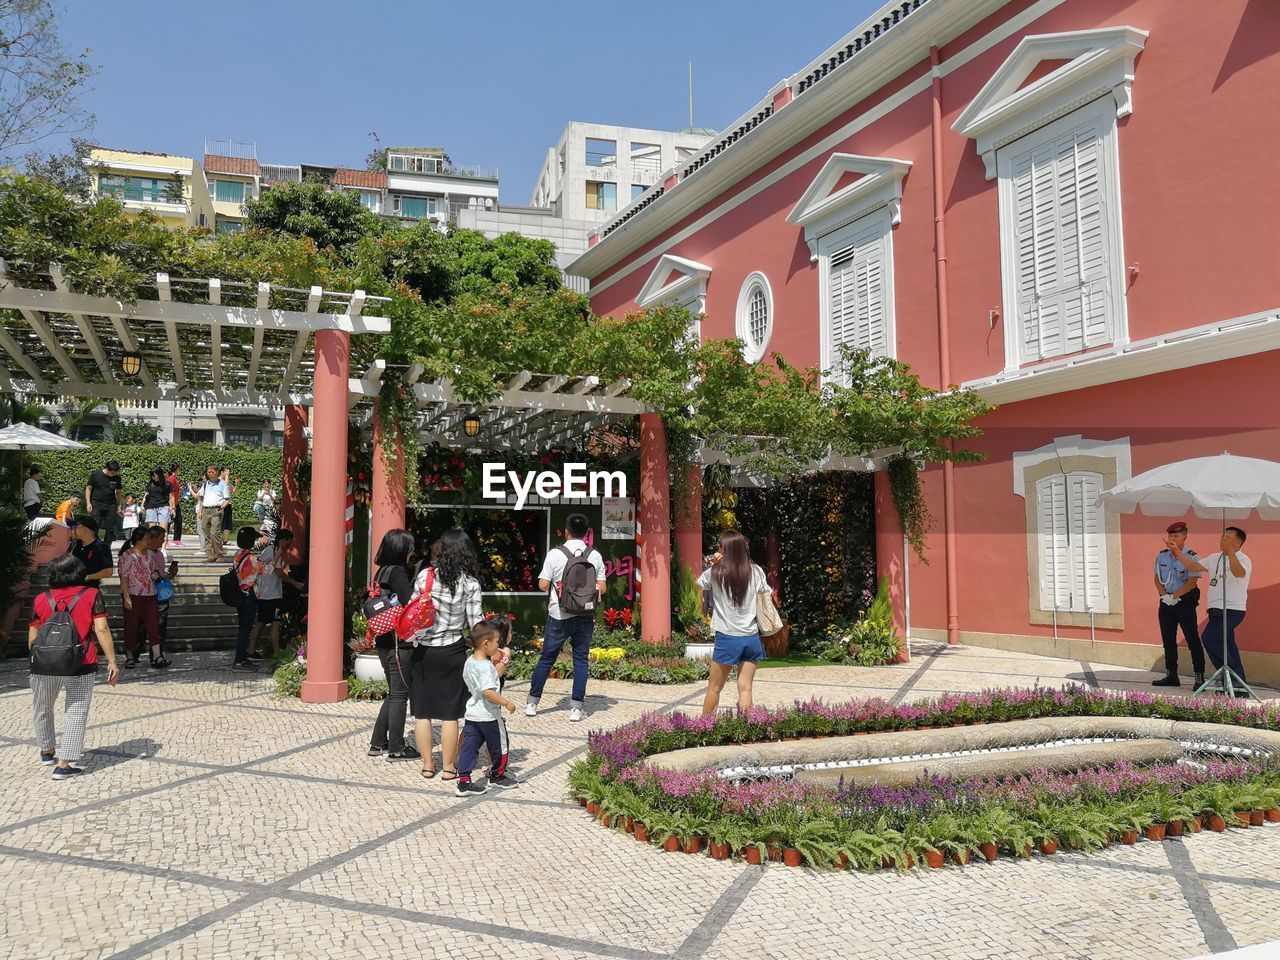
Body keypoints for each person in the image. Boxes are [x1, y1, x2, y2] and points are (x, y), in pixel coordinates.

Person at [28, 553, 119, 779]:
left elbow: (32, 636)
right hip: (81, 661)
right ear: (78, 572)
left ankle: (47, 751)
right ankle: (64, 764)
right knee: (76, 711)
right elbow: (101, 629)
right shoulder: (91, 594)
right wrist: (112, 661)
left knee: (42, 707)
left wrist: (39, 657)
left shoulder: (41, 598)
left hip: (44, 663)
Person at [411, 529, 483, 781]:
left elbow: (412, 613)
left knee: (422, 711)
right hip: (453, 651)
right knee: (450, 713)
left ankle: (428, 766)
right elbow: (476, 626)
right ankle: (450, 768)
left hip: (423, 651)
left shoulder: (424, 577)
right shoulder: (470, 583)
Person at [526, 513, 605, 723]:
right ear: (586, 533)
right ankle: (576, 709)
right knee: (580, 660)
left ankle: (532, 703)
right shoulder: (594, 555)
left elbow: (543, 585)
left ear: (567, 531)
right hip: (585, 615)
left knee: (546, 658)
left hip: (559, 614)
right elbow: (602, 587)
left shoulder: (555, 554)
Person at [696, 530, 769, 716]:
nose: (717, 548)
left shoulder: (715, 572)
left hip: (728, 636)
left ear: (725, 549)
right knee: (745, 688)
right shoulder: (756, 571)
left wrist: (712, 563)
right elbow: (765, 593)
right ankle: (745, 728)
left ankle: (704, 726)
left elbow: (698, 586)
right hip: (751, 636)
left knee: (714, 688)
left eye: (720, 545)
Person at [1172, 526, 1253, 686]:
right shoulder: (1214, 557)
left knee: (1210, 637)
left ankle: (1229, 675)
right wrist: (1177, 551)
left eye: (1228, 537)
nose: (1223, 539)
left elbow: (1239, 573)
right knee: (1228, 645)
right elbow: (1192, 567)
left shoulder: (1244, 559)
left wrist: (1230, 553)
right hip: (1215, 609)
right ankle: (1236, 683)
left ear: (1238, 542)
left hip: (1232, 609)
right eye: (1222, 536)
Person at [366, 529, 419, 762]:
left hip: (383, 641)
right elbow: (411, 604)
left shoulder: (381, 572)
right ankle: (396, 748)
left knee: (393, 693)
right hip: (399, 644)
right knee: (399, 695)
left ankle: (378, 742)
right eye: (410, 547)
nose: (412, 551)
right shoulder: (397, 573)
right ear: (401, 549)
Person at [454, 619, 518, 797]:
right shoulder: (485, 667)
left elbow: (492, 678)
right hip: (489, 716)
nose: (498, 646)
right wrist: (505, 702)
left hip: (473, 714)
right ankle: (497, 776)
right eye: (497, 642)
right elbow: (487, 690)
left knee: (469, 747)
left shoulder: (470, 662)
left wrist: (504, 660)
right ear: (486, 644)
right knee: (500, 746)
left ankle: (464, 781)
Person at [1152, 521, 1206, 688]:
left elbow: (1191, 582)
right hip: (1166, 602)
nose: (1172, 538)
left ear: (1185, 536)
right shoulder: (1161, 555)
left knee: (1192, 640)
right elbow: (1157, 579)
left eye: (1176, 535)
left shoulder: (1191, 556)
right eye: (1170, 535)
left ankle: (1199, 676)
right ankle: (1171, 675)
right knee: (1168, 640)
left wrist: (1175, 596)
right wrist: (1165, 596)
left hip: (1185, 602)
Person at [119, 526, 168, 669]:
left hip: (150, 594)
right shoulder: (127, 556)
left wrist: (155, 575)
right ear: (139, 540)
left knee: (153, 626)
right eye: (147, 538)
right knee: (131, 627)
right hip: (134, 595)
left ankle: (157, 656)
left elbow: (152, 570)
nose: (149, 540)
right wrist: (126, 597)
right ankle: (130, 656)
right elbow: (124, 579)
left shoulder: (150, 554)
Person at [250, 528, 302, 659]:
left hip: (263, 593)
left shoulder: (266, 551)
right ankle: (276, 653)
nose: (289, 546)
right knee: (275, 622)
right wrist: (294, 583)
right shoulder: (275, 552)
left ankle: (250, 649)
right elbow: (278, 573)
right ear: (283, 540)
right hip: (273, 594)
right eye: (289, 542)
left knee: (261, 621)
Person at [229, 527, 264, 672]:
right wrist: (278, 554)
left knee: (243, 628)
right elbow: (267, 570)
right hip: (249, 596)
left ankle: (242, 657)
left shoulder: (238, 555)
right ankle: (239, 661)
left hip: (240, 594)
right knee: (245, 629)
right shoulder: (251, 558)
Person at [145, 525, 177, 657]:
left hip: (161, 593)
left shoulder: (158, 553)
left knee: (161, 624)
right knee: (156, 624)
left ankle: (157, 652)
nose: (163, 541)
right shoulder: (145, 554)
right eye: (161, 538)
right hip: (150, 592)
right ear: (152, 538)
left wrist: (169, 574)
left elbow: (160, 572)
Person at [192, 465, 229, 562]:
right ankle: (210, 556)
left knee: (214, 533)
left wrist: (221, 508)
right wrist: (201, 510)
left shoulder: (223, 484)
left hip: (216, 510)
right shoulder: (205, 484)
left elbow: (227, 500)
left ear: (217, 472)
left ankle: (219, 554)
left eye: (212, 471)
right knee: (206, 533)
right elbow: (201, 498)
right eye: (208, 472)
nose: (210, 473)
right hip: (206, 510)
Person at [84, 459, 123, 545]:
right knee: (94, 525)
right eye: (113, 473)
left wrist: (119, 504)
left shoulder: (117, 478)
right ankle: (93, 545)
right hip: (96, 504)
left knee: (110, 528)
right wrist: (88, 503)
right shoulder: (96, 475)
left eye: (116, 472)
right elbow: (88, 488)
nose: (114, 474)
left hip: (111, 505)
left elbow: (118, 492)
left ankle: (106, 548)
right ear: (107, 469)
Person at [69, 515, 113, 585]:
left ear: (86, 528)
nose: (73, 530)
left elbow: (108, 571)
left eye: (75, 527)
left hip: (89, 589)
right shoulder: (76, 545)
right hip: (74, 588)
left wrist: (86, 577)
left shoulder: (101, 546)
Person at [166, 463, 185, 546]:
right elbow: (170, 492)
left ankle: (176, 539)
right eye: (179, 468)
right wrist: (172, 506)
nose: (180, 470)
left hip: (175, 503)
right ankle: (165, 540)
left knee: (178, 521)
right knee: (169, 521)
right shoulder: (171, 478)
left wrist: (180, 488)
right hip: (171, 503)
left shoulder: (174, 478)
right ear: (176, 469)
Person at [220, 467, 239, 544]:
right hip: (221, 504)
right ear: (222, 472)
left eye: (228, 472)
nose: (228, 473)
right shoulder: (219, 480)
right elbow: (224, 485)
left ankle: (225, 540)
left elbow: (233, 491)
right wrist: (227, 477)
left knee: (227, 522)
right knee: (220, 522)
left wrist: (236, 483)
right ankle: (217, 539)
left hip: (228, 504)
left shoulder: (227, 481)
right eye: (227, 472)